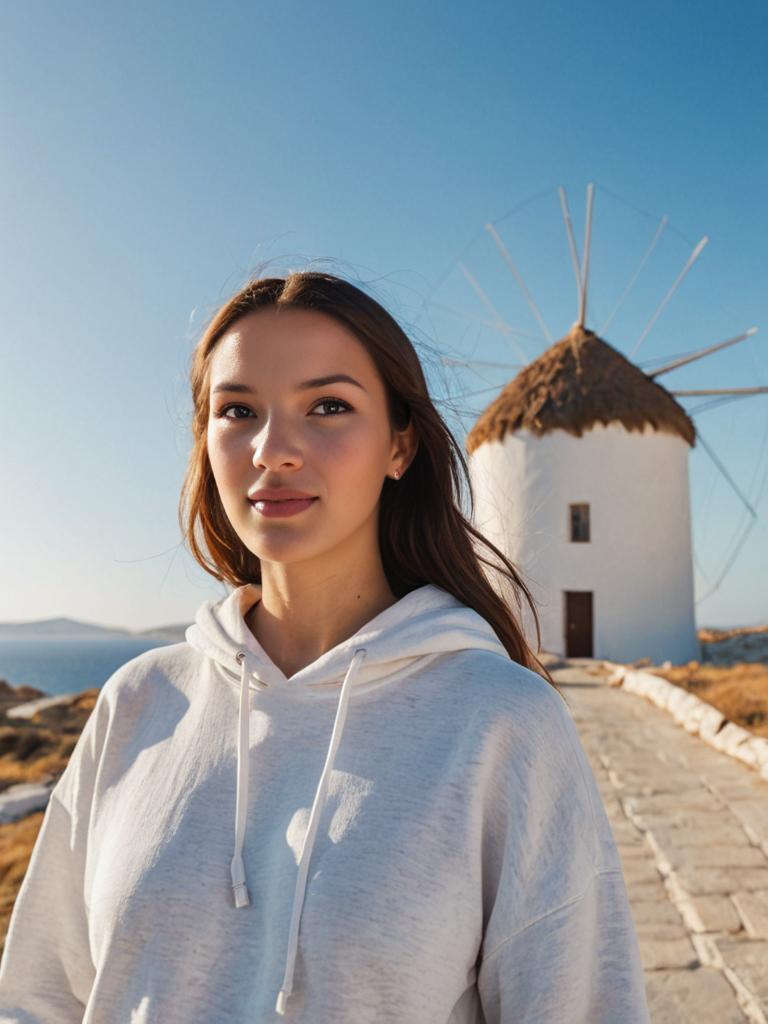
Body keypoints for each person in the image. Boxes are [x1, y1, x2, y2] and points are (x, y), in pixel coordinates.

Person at [0, 270, 650, 1022]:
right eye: (237, 410)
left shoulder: (502, 724)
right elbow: (36, 1000)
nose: (273, 449)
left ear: (400, 445)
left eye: (329, 407)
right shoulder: (139, 701)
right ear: (204, 442)